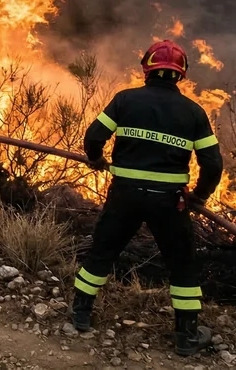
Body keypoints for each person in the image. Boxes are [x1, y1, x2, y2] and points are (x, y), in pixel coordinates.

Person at [71, 40, 224, 357]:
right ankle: (186, 335)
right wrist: (199, 196)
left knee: (102, 252)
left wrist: (96, 159)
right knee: (182, 266)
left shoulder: (126, 100)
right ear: (180, 76)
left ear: (146, 69)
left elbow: (94, 136)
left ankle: (81, 315)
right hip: (169, 202)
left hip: (125, 195)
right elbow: (212, 164)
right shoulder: (194, 112)